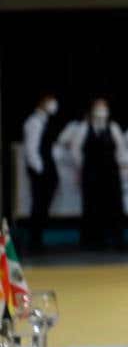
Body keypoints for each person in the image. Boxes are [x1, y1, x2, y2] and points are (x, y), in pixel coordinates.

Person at [70, 98, 128, 250]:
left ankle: (117, 239)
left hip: (110, 172)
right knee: (91, 205)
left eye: (103, 107)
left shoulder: (113, 127)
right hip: (91, 172)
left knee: (114, 205)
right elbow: (75, 149)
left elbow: (121, 148)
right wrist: (83, 167)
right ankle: (93, 241)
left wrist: (117, 165)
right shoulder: (84, 127)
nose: (101, 110)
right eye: (98, 107)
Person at [22, 94, 59, 252]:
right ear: (42, 103)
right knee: (38, 205)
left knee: (43, 206)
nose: (53, 105)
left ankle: (37, 239)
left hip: (45, 167)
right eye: (50, 102)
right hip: (40, 169)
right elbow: (31, 149)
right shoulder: (34, 122)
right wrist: (40, 170)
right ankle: (34, 241)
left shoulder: (44, 121)